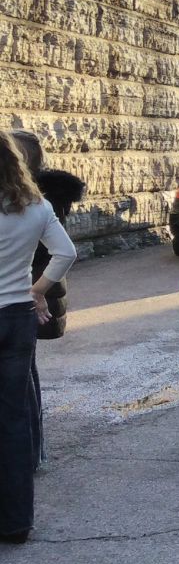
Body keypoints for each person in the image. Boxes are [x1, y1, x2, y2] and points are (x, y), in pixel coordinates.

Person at [0, 135, 76, 543]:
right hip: (17, 315)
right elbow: (66, 254)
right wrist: (38, 290)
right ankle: (16, 522)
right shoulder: (37, 208)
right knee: (13, 418)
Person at [10, 132, 84, 470]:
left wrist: (35, 290)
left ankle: (31, 453)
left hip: (25, 297)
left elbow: (52, 253)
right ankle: (33, 452)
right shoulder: (37, 201)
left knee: (22, 385)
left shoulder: (31, 203)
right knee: (25, 379)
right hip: (30, 298)